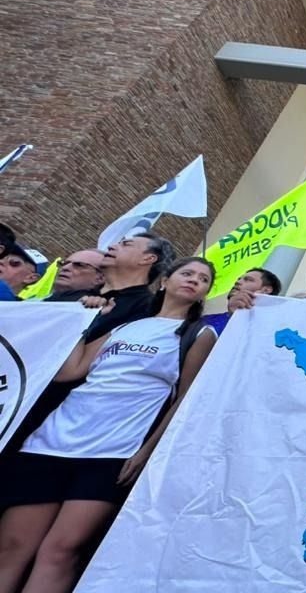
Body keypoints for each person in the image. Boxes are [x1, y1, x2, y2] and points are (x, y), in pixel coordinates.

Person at [0, 257, 218, 593]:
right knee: (13, 546)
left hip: (112, 453)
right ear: (164, 281)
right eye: (187, 273)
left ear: (205, 293)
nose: (193, 280)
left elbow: (184, 401)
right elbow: (70, 370)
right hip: (49, 442)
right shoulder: (126, 327)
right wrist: (83, 321)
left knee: (60, 551)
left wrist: (147, 452)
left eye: (203, 279)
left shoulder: (198, 334)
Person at [2, 234, 176, 459]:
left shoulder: (147, 309)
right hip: (16, 394)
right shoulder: (70, 298)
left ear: (148, 259)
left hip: (59, 424)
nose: (113, 246)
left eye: (126, 244)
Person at [203, 268, 281, 335]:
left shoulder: (271, 330)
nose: (237, 282)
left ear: (266, 290)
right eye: (239, 279)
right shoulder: (205, 320)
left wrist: (238, 316)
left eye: (248, 280)